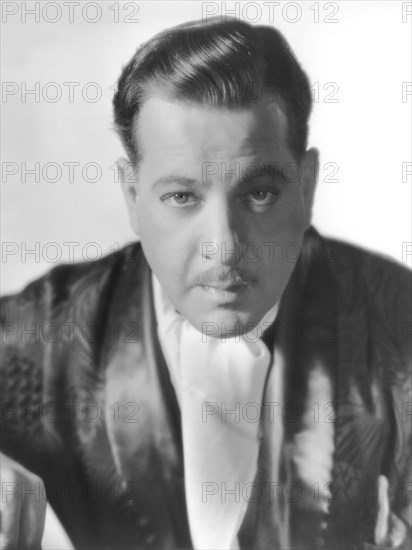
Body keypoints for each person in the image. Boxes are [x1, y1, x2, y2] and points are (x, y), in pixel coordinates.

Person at [0, 17, 411, 550]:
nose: (223, 246)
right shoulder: (50, 329)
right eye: (182, 197)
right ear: (132, 195)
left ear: (306, 187)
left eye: (258, 194)